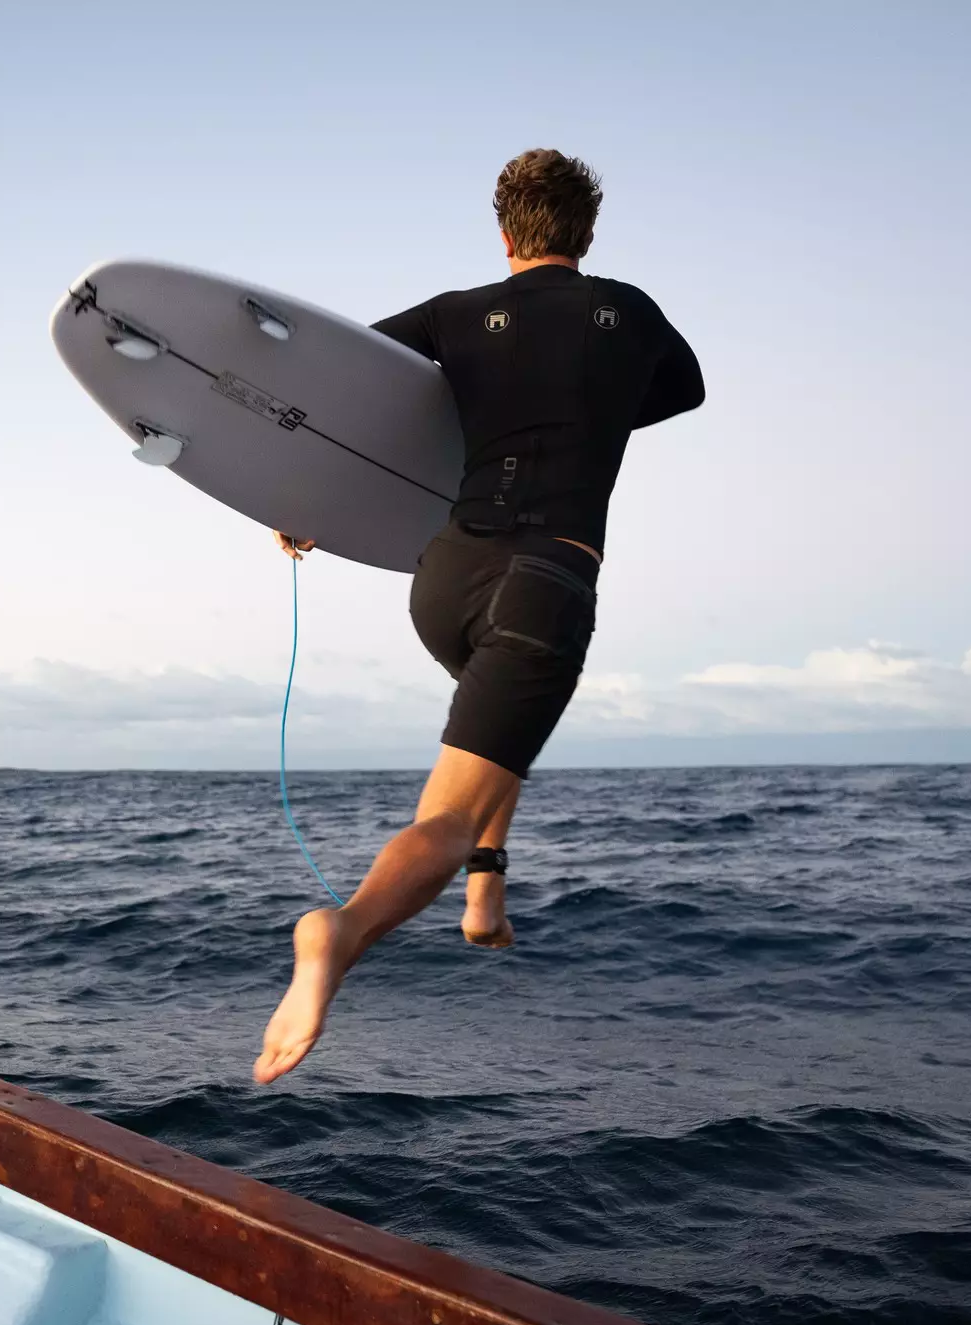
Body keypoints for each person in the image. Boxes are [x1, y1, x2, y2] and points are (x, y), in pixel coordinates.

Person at [255, 148, 705, 1085]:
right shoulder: (632, 311)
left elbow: (348, 396)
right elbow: (687, 388)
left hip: (444, 577)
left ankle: (484, 901)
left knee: (498, 735)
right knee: (447, 814)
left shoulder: (455, 314)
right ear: (585, 233)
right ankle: (340, 931)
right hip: (548, 578)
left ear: (505, 235)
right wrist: (597, 408)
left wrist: (308, 503)